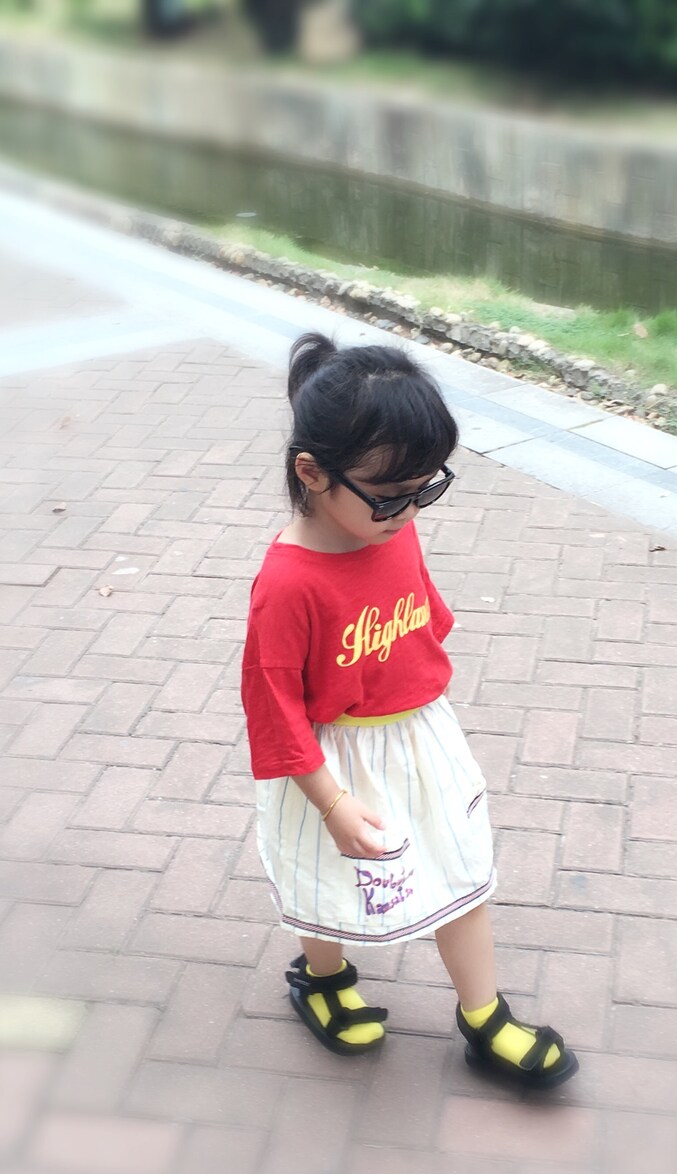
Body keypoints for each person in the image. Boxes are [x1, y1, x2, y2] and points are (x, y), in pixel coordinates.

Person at [241, 332, 578, 1089]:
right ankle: (322, 977)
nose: (409, 510)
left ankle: (485, 1016)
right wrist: (330, 802)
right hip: (334, 761)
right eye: (392, 494)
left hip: (418, 735)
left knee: (458, 865)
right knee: (326, 877)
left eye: (427, 488)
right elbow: (272, 706)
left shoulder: (391, 525)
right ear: (312, 473)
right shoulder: (289, 584)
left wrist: (419, 682)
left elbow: (420, 610)